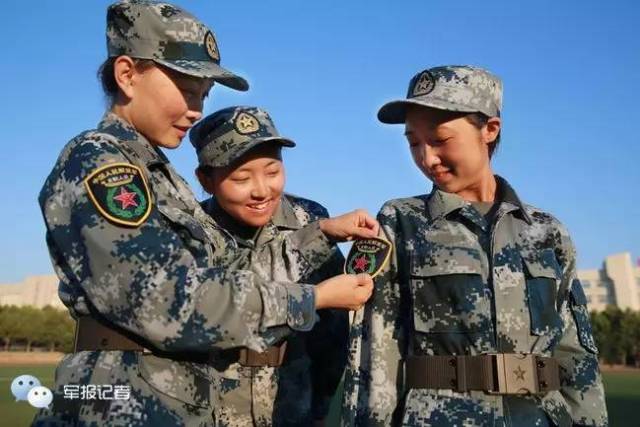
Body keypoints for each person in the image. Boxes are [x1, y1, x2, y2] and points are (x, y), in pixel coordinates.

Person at [35, 1, 376, 425]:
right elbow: (168, 300)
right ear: (127, 75)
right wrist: (315, 298)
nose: (196, 108)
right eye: (186, 89)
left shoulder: (159, 175)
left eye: (203, 94)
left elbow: (234, 273)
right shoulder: (102, 163)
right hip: (121, 406)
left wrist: (320, 234)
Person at [341, 65, 608, 426]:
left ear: (490, 129)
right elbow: (375, 349)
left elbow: (576, 351)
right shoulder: (400, 221)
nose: (426, 158)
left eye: (439, 139)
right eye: (414, 143)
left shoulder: (547, 231)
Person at [190, 106, 349, 426]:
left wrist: (320, 406)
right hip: (210, 406)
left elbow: (333, 331)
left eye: (273, 172)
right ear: (206, 180)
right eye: (241, 178)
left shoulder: (310, 219)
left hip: (290, 405)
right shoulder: (192, 228)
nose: (262, 190)